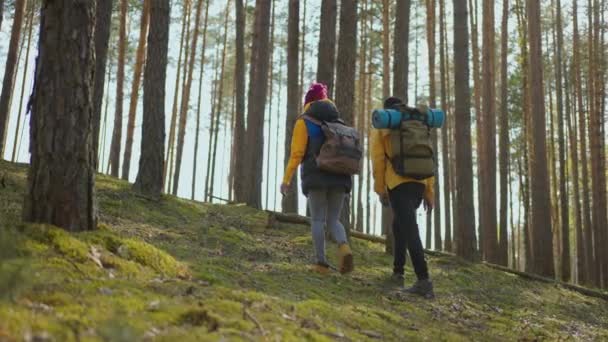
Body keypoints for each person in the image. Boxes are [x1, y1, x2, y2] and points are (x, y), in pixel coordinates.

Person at [281, 83, 354, 275]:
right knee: (333, 220)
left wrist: (286, 179)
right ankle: (344, 247)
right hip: (340, 177)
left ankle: (321, 264)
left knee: (317, 220)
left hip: (317, 176)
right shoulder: (340, 123)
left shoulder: (304, 122)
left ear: (308, 102)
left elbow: (297, 153)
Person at [370, 96, 435, 298]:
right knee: (400, 225)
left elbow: (378, 158)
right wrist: (429, 191)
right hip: (419, 183)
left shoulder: (384, 126)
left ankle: (423, 280)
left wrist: (380, 188)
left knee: (409, 228)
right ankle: (398, 272)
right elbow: (429, 157)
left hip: (398, 182)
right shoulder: (418, 123)